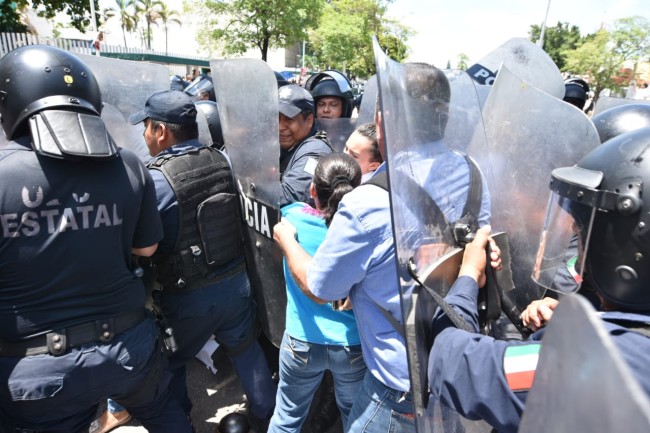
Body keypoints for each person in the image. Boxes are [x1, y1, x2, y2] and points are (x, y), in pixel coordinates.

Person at [274, 62, 491, 433]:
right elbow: (479, 249)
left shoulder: (367, 201)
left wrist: (287, 242)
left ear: (385, 117)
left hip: (397, 389)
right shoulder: (473, 173)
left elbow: (323, 288)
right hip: (452, 364)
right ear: (446, 116)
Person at [0, 45, 192, 433]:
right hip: (129, 350)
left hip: (36, 370)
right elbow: (146, 248)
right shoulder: (131, 164)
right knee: (167, 413)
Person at [426, 126, 650, 433]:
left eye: (582, 229)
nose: (574, 233)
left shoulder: (596, 361)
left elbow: (451, 362)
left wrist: (467, 276)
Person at [100, 90, 277, 431]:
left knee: (168, 362)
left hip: (188, 296)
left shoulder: (156, 178)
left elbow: (146, 247)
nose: (145, 136)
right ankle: (266, 416)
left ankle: (182, 423)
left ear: (161, 131)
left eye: (147, 128)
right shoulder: (223, 160)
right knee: (245, 349)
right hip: (236, 283)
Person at [269, 153, 367, 433]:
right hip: (351, 344)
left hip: (301, 340)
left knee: (287, 416)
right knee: (354, 417)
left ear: (313, 190)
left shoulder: (291, 218)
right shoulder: (361, 228)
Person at [278, 84, 333, 207]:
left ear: (309, 121)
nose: (280, 127)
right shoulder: (286, 144)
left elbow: (290, 196)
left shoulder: (316, 152)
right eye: (276, 118)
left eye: (289, 119)